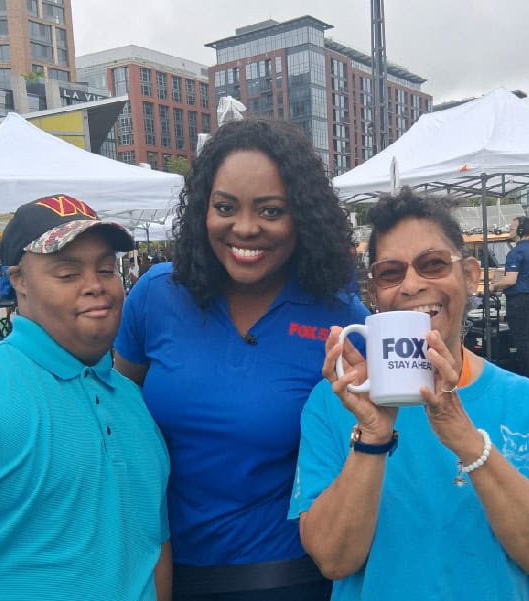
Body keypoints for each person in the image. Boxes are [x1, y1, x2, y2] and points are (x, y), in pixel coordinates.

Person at [114, 119, 368, 600]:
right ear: (202, 212)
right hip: (160, 571)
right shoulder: (155, 296)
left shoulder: (343, 320)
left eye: (271, 210)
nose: (245, 228)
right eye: (225, 207)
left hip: (287, 578)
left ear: (303, 218)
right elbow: (116, 411)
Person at [292, 189, 529, 600]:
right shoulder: (333, 403)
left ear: (469, 275)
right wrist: (373, 437)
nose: (412, 284)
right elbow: (333, 559)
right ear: (374, 294)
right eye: (391, 273)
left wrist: (465, 439)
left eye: (432, 264)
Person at [0, 195, 170, 599]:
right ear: (19, 281)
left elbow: (153, 548)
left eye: (105, 269)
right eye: (67, 273)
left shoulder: (134, 403)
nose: (95, 286)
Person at [492, 215, 529, 385]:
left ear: (521, 230)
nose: (509, 230)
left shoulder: (516, 253)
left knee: (521, 341)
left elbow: (510, 280)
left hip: (518, 301)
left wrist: (493, 287)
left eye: (511, 228)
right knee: (528, 339)